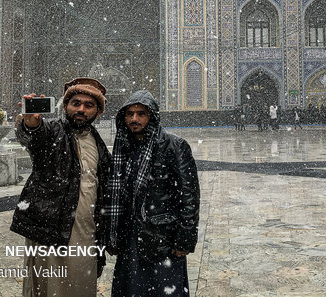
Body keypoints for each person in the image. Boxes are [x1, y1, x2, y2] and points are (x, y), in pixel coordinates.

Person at [10, 77, 112, 297]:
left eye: (88, 105)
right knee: (49, 288)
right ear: (65, 106)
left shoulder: (97, 143)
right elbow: (33, 137)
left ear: (98, 112)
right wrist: (30, 123)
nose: (81, 109)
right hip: (51, 232)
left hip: (86, 233)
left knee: (81, 288)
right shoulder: (53, 132)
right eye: (76, 103)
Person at [105, 90, 200, 297]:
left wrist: (185, 239)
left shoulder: (174, 146)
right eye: (130, 114)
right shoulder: (124, 147)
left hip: (162, 237)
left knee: (163, 289)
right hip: (131, 235)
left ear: (152, 117)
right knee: (132, 289)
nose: (134, 119)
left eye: (141, 114)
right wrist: (112, 234)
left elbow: (189, 196)